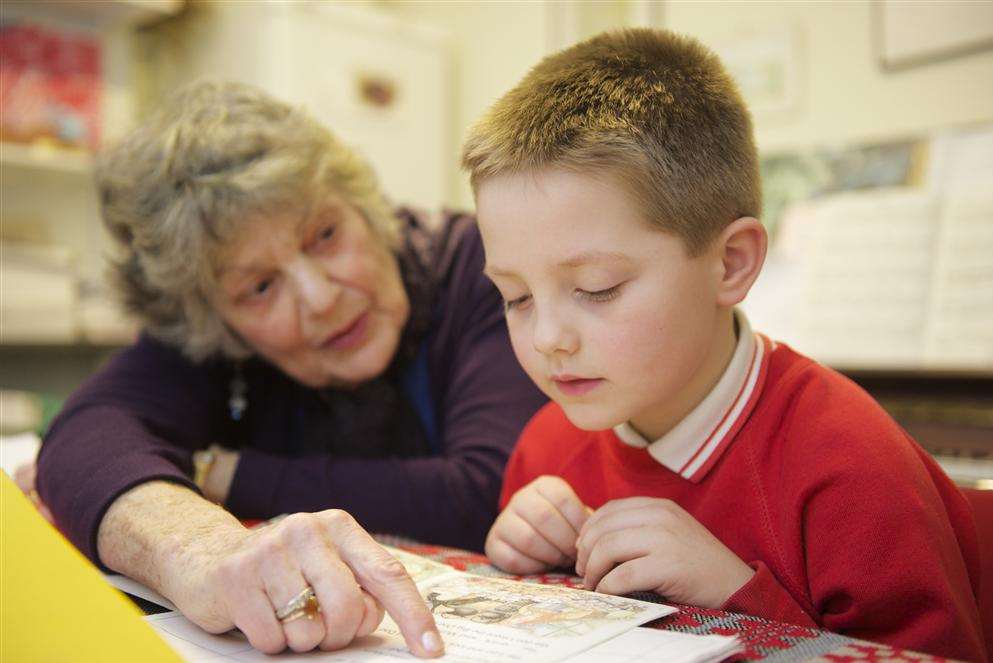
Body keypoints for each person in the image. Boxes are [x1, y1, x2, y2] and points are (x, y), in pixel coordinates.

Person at [462, 29, 987, 661]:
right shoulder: (546, 446)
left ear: (731, 263)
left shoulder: (851, 469)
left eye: (597, 288)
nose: (547, 339)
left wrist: (740, 601)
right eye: (515, 297)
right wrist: (517, 561)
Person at [32, 81, 546, 656]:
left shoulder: (482, 268)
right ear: (214, 323)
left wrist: (222, 472)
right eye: (259, 287)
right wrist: (199, 548)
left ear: (363, 205)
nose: (319, 296)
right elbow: (85, 435)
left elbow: (485, 489)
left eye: (325, 235)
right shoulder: (216, 339)